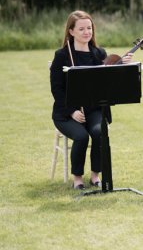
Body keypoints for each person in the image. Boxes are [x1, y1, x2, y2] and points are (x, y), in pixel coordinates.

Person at [50, 10, 134, 190]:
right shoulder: (62, 56)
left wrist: (122, 67)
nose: (87, 32)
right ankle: (78, 178)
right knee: (81, 136)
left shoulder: (99, 54)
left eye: (89, 28)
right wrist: (71, 111)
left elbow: (109, 82)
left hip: (94, 109)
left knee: (98, 132)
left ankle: (95, 175)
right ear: (71, 31)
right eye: (81, 29)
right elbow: (56, 89)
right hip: (67, 113)